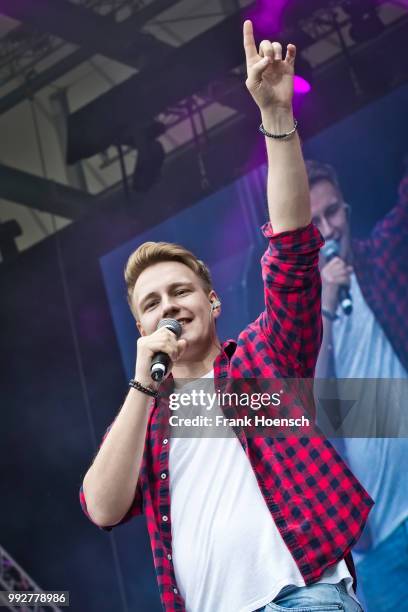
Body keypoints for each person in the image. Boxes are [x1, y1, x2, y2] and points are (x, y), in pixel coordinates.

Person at [80, 21, 372, 612]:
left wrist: (276, 120)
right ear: (141, 329)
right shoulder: (145, 415)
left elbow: (292, 245)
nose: (169, 307)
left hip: (304, 599)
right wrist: (144, 385)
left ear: (211, 302)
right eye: (152, 303)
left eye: (180, 291)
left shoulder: (265, 359)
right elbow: (103, 506)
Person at [309, 158, 408, 611]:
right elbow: (314, 406)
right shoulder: (298, 326)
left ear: (346, 210)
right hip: (379, 539)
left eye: (333, 212)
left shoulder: (379, 261)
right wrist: (325, 304)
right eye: (313, 222)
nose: (328, 230)